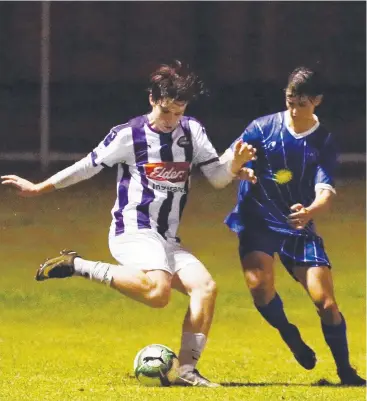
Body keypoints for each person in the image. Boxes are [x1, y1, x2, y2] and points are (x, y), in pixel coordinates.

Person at [1, 60, 256, 387]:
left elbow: (218, 178)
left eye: (178, 113)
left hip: (166, 239)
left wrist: (234, 163)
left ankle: (188, 371)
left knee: (205, 288)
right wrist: (40, 187)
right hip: (132, 230)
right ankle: (78, 265)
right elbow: (86, 166)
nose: (171, 121)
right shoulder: (128, 135)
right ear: (152, 99)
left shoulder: (191, 131)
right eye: (166, 112)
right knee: (158, 294)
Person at [222, 66, 366, 386]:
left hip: (296, 225)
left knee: (326, 304)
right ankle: (290, 333)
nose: (293, 108)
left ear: (317, 101)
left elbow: (325, 192)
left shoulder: (323, 141)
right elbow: (224, 163)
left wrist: (311, 210)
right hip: (256, 220)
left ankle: (346, 372)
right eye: (289, 100)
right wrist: (236, 166)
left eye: (301, 103)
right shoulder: (262, 128)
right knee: (260, 289)